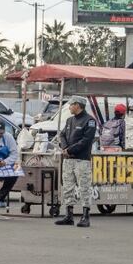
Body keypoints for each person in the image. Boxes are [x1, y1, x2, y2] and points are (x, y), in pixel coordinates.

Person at [54, 95, 96, 228]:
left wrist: (70, 150)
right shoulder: (69, 120)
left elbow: (86, 140)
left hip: (81, 160)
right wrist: (65, 148)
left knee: (84, 188)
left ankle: (85, 216)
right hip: (68, 160)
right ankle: (69, 215)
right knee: (67, 187)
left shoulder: (89, 120)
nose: (69, 107)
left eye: (71, 105)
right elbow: (62, 135)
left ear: (78, 105)